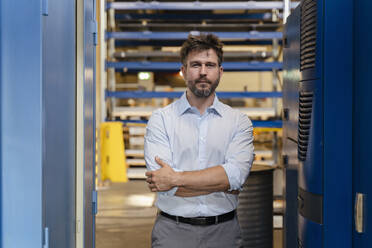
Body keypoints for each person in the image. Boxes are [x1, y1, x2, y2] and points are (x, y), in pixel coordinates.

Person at [144, 33, 254, 248]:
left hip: (224, 233)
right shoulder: (161, 120)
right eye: (195, 65)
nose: (203, 72)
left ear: (220, 72)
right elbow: (161, 183)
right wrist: (221, 182)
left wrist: (175, 178)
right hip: (172, 233)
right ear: (184, 71)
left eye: (210, 65)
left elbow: (236, 177)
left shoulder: (238, 122)